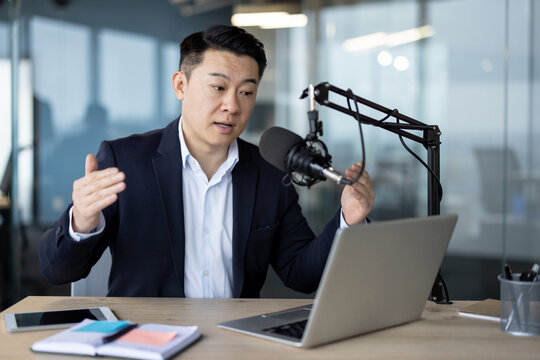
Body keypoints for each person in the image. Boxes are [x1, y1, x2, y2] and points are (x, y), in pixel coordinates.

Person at [38, 25, 375, 298]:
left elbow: (301, 274)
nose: (232, 105)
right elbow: (58, 271)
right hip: (146, 340)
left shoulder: (269, 171)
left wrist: (348, 218)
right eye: (218, 87)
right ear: (180, 85)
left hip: (235, 344)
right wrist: (80, 220)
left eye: (246, 92)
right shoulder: (125, 161)